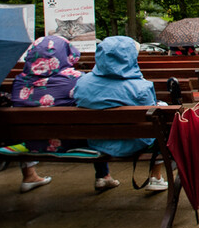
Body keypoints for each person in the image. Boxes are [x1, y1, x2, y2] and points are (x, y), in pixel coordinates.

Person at [11, 35, 119, 193]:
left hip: (29, 144)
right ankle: (104, 176)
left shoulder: (19, 82)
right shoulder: (76, 80)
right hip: (72, 142)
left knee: (29, 126)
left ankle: (29, 175)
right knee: (94, 123)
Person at [73, 36, 168, 192]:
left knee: (98, 125)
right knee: (161, 121)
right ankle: (155, 177)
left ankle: (103, 175)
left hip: (96, 141)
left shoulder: (82, 83)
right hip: (134, 142)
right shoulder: (140, 87)